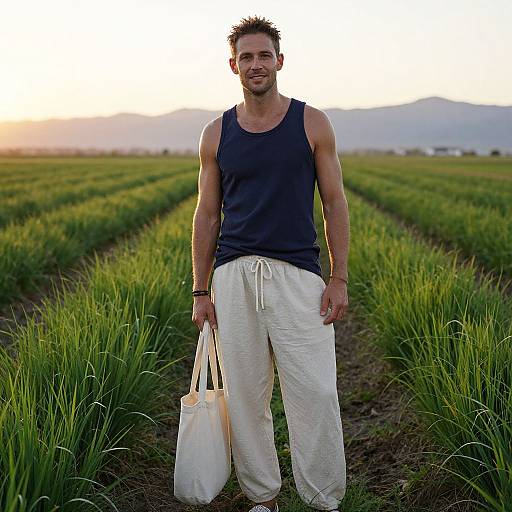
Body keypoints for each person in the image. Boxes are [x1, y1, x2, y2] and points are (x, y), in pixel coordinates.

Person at [191, 14, 350, 512]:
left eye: (264, 56)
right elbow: (207, 213)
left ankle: (323, 498)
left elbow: (334, 202)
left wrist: (338, 277)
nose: (255, 64)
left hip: (298, 277)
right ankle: (263, 498)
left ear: (279, 61)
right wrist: (200, 289)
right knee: (245, 397)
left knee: (317, 392)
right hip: (234, 276)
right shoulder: (216, 133)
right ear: (233, 66)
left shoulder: (311, 122)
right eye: (246, 57)